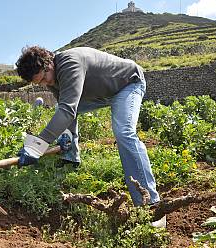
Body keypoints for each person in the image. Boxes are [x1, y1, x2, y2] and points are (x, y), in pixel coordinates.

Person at [15, 46, 165, 227]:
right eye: (40, 83)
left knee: (124, 133)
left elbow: (68, 111)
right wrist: (67, 134)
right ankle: (70, 158)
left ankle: (150, 205)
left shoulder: (70, 64)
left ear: (49, 64)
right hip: (102, 93)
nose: (46, 84)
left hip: (128, 84)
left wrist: (36, 146)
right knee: (62, 111)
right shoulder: (53, 77)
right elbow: (66, 105)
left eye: (44, 78)